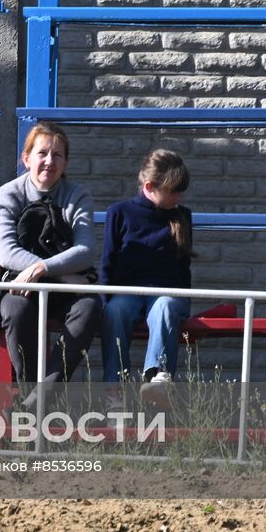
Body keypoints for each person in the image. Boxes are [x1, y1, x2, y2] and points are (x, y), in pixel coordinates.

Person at [0, 122, 100, 396]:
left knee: (90, 308)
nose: (50, 161)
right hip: (21, 286)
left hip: (63, 291)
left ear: (66, 161)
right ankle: (30, 393)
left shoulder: (78, 196)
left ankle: (42, 396)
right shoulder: (6, 195)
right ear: (26, 159)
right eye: (42, 153)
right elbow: (5, 251)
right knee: (15, 310)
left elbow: (85, 249)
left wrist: (41, 268)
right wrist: (58, 274)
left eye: (57, 155)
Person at [100, 148, 193, 412]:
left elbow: (183, 266)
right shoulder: (119, 212)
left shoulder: (181, 216)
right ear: (150, 186)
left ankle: (158, 377)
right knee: (116, 311)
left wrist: (183, 301)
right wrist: (106, 301)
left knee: (164, 305)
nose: (179, 196)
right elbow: (108, 260)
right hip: (127, 290)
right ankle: (115, 390)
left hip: (165, 291)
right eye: (174, 190)